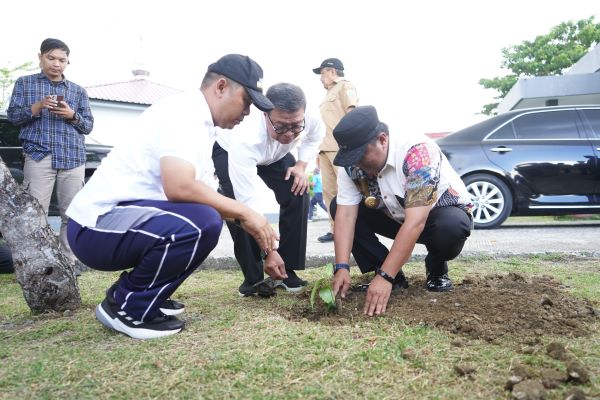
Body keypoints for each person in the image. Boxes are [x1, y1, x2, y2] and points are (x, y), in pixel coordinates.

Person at [66, 54, 282, 339]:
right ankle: (128, 307)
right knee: (201, 222)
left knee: (205, 218)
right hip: (96, 226)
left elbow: (209, 198)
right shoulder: (184, 112)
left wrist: (266, 245)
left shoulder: (202, 127)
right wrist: (247, 212)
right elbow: (180, 187)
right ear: (220, 87)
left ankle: (143, 295)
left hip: (118, 223)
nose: (247, 112)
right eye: (246, 101)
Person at [329, 106, 473, 317]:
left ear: (382, 139)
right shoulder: (351, 163)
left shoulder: (418, 152)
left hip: (436, 216)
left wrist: (384, 277)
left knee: (451, 228)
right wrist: (341, 266)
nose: (356, 163)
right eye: (352, 157)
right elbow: (346, 215)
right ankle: (392, 276)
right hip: (394, 215)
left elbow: (416, 222)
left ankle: (435, 265)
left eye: (361, 155)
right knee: (337, 205)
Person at [212, 83, 325, 296]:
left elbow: (314, 138)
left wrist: (301, 166)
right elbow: (248, 205)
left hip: (276, 155)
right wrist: (269, 251)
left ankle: (287, 270)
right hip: (229, 152)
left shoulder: (309, 118)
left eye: (296, 126)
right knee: (239, 209)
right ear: (265, 114)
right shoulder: (245, 137)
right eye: (281, 126)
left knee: (297, 190)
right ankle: (253, 279)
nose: (290, 134)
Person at [7, 38, 94, 271]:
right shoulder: (25, 84)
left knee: (71, 212)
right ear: (40, 57)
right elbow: (14, 117)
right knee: (36, 212)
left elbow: (88, 126)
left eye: (62, 60)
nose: (57, 64)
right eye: (51, 58)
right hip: (38, 156)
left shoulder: (77, 91)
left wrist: (71, 114)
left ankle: (69, 262)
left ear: (68, 62)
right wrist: (37, 107)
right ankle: (37, 264)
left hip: (73, 156)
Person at [312, 58, 358, 243]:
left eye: (322, 73)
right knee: (329, 192)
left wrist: (352, 145)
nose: (321, 78)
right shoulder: (328, 93)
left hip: (340, 148)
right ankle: (335, 230)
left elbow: (352, 115)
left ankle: (353, 229)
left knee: (345, 190)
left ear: (332, 72)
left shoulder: (345, 87)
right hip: (325, 148)